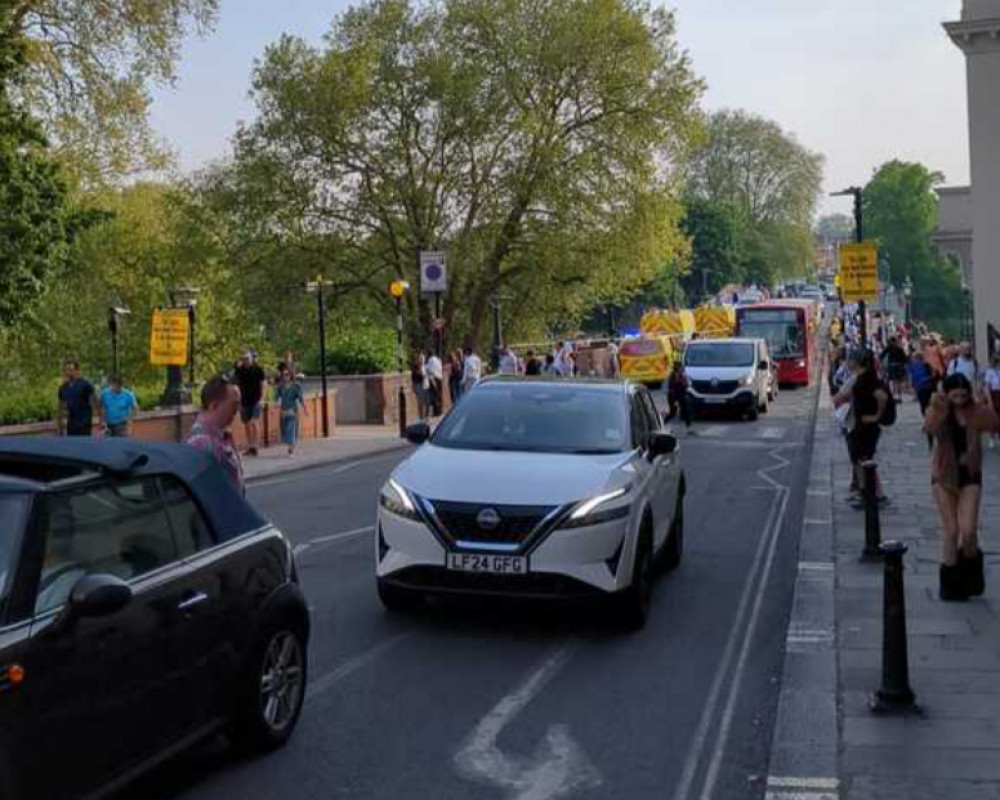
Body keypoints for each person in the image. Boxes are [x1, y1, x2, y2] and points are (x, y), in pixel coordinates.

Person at [924, 374, 998, 601]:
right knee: (952, 530)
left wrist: (980, 399)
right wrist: (939, 403)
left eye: (962, 392)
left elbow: (994, 422)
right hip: (944, 476)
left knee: (968, 531)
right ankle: (949, 585)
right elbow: (929, 427)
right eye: (953, 393)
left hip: (970, 475)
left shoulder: (975, 411)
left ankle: (972, 574)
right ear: (946, 393)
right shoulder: (940, 409)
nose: (959, 396)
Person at [834, 350, 889, 504]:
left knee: (860, 460)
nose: (847, 362)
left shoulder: (856, 379)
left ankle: (869, 494)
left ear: (856, 362)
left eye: (850, 360)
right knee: (865, 459)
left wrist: (876, 415)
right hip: (867, 425)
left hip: (858, 425)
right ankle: (874, 493)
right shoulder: (872, 377)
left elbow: (837, 399)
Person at [186, 375, 244, 493]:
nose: (237, 410)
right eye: (234, 405)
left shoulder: (221, 436)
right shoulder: (200, 444)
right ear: (214, 406)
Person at [233, 351, 266, 456]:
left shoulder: (258, 370)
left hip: (256, 400)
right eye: (243, 359)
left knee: (253, 422)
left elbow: (263, 385)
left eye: (247, 359)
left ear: (251, 359)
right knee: (246, 424)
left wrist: (262, 399)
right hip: (244, 401)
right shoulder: (240, 371)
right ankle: (250, 446)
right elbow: (235, 384)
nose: (245, 361)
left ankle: (255, 446)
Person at [56, 360, 100, 437]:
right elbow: (60, 408)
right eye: (66, 370)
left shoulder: (85, 385)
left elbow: (95, 402)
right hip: (71, 424)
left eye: (70, 369)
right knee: (72, 446)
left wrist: (100, 420)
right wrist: (60, 427)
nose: (68, 372)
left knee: (84, 446)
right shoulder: (63, 388)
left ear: (76, 371)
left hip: (84, 423)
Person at [275, 366, 308, 456]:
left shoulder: (296, 386)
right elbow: (277, 398)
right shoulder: (280, 386)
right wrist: (276, 407)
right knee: (284, 430)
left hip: (293, 411)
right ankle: (291, 445)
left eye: (287, 374)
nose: (285, 376)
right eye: (284, 375)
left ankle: (291, 449)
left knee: (291, 429)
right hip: (283, 411)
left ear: (291, 375)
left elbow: (301, 398)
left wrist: (305, 409)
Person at [665, 361, 693, 434]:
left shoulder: (681, 375)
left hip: (681, 396)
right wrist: (675, 401)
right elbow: (673, 387)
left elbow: (686, 385)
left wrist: (685, 381)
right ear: (677, 368)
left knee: (687, 411)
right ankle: (662, 425)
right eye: (681, 367)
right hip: (674, 397)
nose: (683, 368)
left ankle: (689, 428)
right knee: (672, 413)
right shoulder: (673, 376)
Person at [881, 336, 909, 400]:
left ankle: (895, 396)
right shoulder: (900, 348)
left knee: (894, 382)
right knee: (898, 382)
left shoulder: (889, 348)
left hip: (892, 366)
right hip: (899, 366)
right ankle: (899, 396)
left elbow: (882, 355)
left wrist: (883, 364)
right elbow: (904, 359)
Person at [983, 355, 1000, 449]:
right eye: (996, 360)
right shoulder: (990, 372)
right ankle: (992, 438)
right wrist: (989, 400)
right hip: (994, 395)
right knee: (993, 417)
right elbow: (987, 387)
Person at [411, 352, 430, 420]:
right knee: (421, 402)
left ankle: (426, 416)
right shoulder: (416, 367)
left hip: (426, 386)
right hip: (419, 385)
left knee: (427, 402)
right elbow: (413, 377)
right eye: (421, 359)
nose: (422, 360)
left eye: (423, 359)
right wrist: (413, 386)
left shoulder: (425, 367)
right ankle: (421, 417)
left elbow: (428, 375)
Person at [426, 351, 444, 416]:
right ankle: (440, 410)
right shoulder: (438, 360)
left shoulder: (430, 360)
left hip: (433, 378)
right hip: (440, 378)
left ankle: (436, 412)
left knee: (434, 396)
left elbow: (429, 369)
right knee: (439, 395)